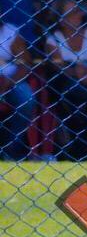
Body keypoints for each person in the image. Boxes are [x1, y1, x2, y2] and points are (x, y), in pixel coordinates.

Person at [45, 0, 87, 159]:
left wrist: (84, 70)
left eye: (79, 11)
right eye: (73, 13)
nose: (79, 15)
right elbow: (57, 65)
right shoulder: (54, 38)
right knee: (77, 93)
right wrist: (77, 70)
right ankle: (81, 149)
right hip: (65, 84)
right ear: (62, 19)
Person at [0, 18, 35, 159]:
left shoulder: (10, 31)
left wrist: (7, 83)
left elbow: (24, 63)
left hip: (10, 80)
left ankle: (10, 151)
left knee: (27, 99)